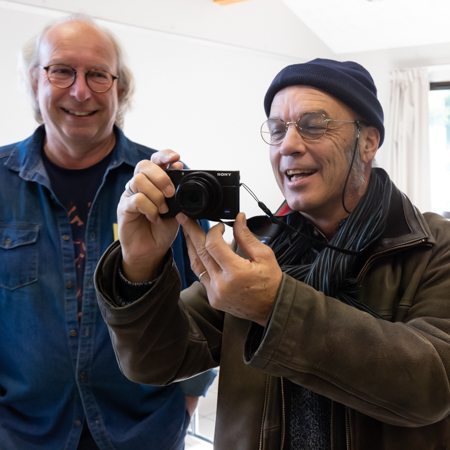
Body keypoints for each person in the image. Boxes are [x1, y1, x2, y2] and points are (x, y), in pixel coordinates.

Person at [95, 58, 450, 450]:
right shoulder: (258, 249)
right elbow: (155, 361)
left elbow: (434, 385)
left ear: (368, 142)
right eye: (277, 130)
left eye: (314, 125)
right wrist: (140, 266)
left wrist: (275, 306)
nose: (289, 146)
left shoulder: (433, 245)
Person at [0, 14, 215, 450]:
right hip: (21, 435)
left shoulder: (164, 184)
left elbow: (205, 302)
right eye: (62, 70)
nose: (80, 91)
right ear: (34, 82)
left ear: (120, 89)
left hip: (144, 433)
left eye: (98, 74)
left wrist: (185, 403)